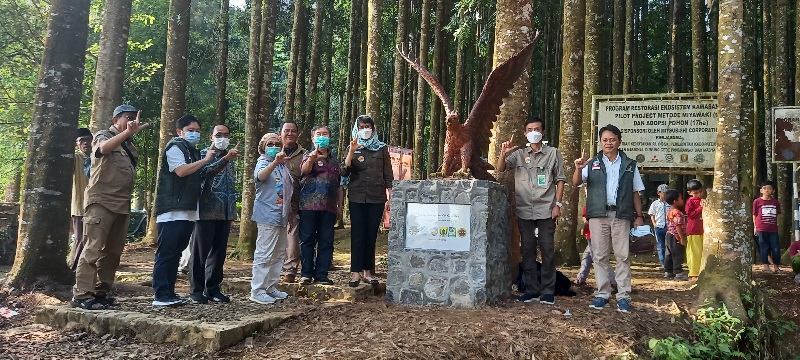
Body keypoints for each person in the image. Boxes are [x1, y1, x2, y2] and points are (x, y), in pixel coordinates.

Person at [71, 105, 147, 310]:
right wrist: (127, 132)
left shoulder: (130, 147)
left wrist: (128, 135)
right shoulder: (103, 136)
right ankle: (81, 294)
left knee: (113, 252)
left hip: (122, 204)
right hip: (101, 202)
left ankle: (100, 291)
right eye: (127, 118)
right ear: (115, 120)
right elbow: (103, 149)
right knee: (93, 248)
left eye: (134, 118)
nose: (132, 121)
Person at [572, 124, 645, 313]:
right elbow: (576, 182)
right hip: (597, 215)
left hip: (622, 214)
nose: (608, 143)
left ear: (619, 141)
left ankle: (623, 297)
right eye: (605, 140)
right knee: (599, 255)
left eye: (612, 139)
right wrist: (579, 168)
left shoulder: (629, 164)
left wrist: (639, 216)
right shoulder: (592, 163)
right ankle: (602, 294)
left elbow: (636, 192)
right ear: (600, 142)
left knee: (623, 255)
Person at [497, 117, 566, 305]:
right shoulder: (519, 154)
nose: (533, 132)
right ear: (525, 133)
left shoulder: (553, 153)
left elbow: (560, 179)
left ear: (543, 132)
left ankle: (548, 291)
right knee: (527, 250)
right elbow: (500, 168)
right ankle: (531, 290)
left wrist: (557, 205)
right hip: (524, 210)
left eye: (537, 129)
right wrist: (503, 153)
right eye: (529, 129)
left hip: (546, 209)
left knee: (547, 249)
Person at [152, 115, 216, 306]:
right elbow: (180, 171)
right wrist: (205, 160)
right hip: (172, 210)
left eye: (197, 131)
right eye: (191, 130)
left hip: (188, 211)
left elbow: (200, 173)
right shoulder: (175, 147)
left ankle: (169, 293)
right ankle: (161, 294)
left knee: (177, 253)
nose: (195, 134)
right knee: (166, 252)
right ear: (180, 131)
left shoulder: (192, 151)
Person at [186, 124, 240, 304]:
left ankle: (213, 289)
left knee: (219, 253)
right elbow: (204, 171)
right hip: (206, 211)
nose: (222, 138)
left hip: (225, 212)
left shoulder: (231, 157)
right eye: (219, 135)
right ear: (211, 137)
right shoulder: (203, 154)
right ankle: (196, 290)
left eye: (226, 134)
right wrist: (224, 159)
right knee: (200, 253)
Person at [342, 115, 393, 288]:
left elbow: (388, 174)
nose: (366, 129)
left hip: (377, 197)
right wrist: (351, 151)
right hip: (357, 196)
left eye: (368, 126)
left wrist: (390, 196)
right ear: (357, 128)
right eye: (362, 126)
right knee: (358, 235)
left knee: (371, 235)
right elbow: (344, 171)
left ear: (373, 128)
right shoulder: (352, 147)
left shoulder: (382, 148)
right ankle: (354, 272)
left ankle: (368, 272)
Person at [250, 133, 293, 304]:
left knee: (278, 254)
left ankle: (270, 286)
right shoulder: (264, 161)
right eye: (270, 143)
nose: (274, 145)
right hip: (267, 215)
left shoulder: (282, 165)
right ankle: (258, 289)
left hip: (281, 215)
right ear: (263, 146)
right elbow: (260, 176)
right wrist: (274, 162)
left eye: (277, 143)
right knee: (264, 253)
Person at [298, 125, 343, 285]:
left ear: (330, 137)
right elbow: (304, 171)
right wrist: (312, 158)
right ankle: (306, 274)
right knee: (307, 240)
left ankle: (322, 274)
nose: (322, 137)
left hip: (329, 207)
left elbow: (339, 185)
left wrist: (340, 206)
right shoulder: (306, 156)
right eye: (318, 134)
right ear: (312, 138)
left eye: (325, 134)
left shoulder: (335, 161)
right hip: (308, 205)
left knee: (326, 241)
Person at [280, 120, 306, 283]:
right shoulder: (271, 151)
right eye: (286, 131)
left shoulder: (304, 154)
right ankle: (272, 269)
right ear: (280, 133)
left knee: (292, 236)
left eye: (293, 131)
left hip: (295, 201)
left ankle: (290, 271)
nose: (290, 134)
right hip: (272, 202)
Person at [68, 127, 93, 270]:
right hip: (80, 206)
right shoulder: (76, 158)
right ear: (77, 144)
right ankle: (74, 269)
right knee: (81, 239)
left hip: (97, 205)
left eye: (88, 140)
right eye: (81, 141)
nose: (85, 143)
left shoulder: (98, 156)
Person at [575, 205, 616, 287]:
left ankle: (612, 280)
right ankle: (581, 278)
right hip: (600, 234)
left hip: (593, 235)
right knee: (587, 256)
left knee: (599, 258)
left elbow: (587, 221)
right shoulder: (600, 203)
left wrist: (584, 230)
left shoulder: (590, 205)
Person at [753, 180, 781, 273]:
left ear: (773, 191)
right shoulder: (757, 202)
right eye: (764, 188)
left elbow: (776, 215)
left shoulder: (776, 202)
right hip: (761, 228)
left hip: (773, 229)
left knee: (775, 248)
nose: (767, 190)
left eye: (769, 188)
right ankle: (765, 266)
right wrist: (755, 227)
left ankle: (776, 266)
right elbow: (754, 214)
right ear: (761, 190)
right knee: (763, 247)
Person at [663, 189, 688, 281]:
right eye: (680, 198)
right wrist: (682, 238)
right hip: (675, 236)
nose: (682, 200)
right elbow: (678, 225)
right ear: (675, 201)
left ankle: (668, 271)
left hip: (669, 234)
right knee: (677, 254)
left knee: (669, 253)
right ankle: (678, 272)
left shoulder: (670, 211)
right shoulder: (677, 213)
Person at [685, 179, 705, 281]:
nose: (698, 194)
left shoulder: (704, 200)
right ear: (689, 193)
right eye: (695, 193)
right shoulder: (690, 201)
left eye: (700, 192)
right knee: (694, 252)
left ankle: (702, 271)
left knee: (702, 252)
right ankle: (693, 273)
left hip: (704, 230)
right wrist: (700, 208)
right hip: (693, 230)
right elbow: (690, 214)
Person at [648, 184, 671, 269]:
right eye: (663, 192)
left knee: (669, 245)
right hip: (659, 226)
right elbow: (652, 214)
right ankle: (663, 263)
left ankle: (669, 263)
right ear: (659, 193)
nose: (665, 194)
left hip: (669, 227)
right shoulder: (655, 204)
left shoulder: (670, 203)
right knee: (660, 246)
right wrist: (654, 224)